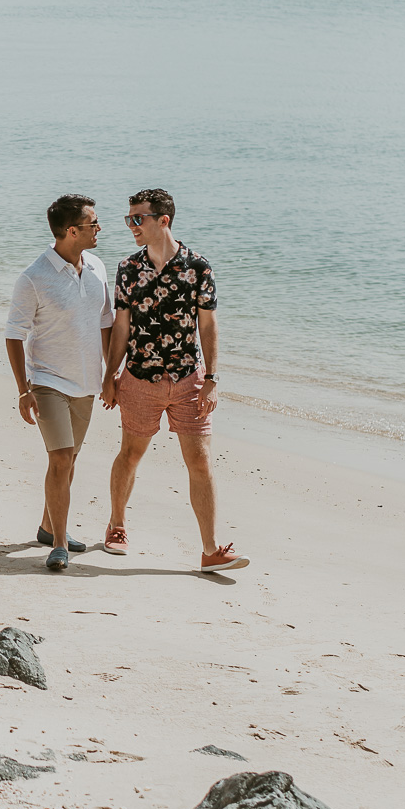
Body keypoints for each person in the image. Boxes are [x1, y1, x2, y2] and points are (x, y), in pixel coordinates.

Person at [99, 188, 247, 572]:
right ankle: (117, 525)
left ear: (163, 220)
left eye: (138, 219)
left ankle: (210, 550)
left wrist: (213, 377)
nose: (132, 226)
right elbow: (121, 326)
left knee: (199, 461)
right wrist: (110, 375)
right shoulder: (128, 268)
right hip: (139, 378)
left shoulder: (198, 267)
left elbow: (208, 324)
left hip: (188, 379)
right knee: (131, 454)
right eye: (129, 219)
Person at [5, 194, 114, 572]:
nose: (99, 229)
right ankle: (61, 545)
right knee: (61, 458)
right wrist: (24, 389)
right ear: (72, 231)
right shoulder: (34, 277)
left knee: (70, 460)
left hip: (87, 382)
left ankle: (49, 528)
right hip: (48, 381)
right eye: (93, 224)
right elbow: (14, 335)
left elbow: (106, 323)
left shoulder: (98, 266)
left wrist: (111, 374)